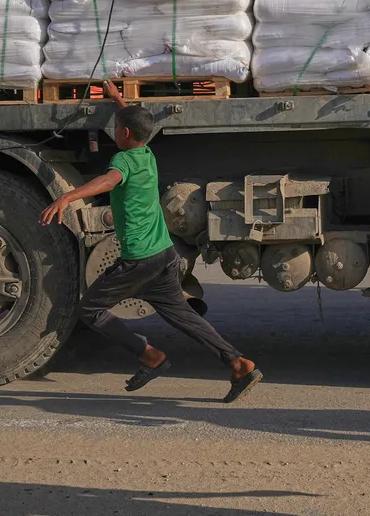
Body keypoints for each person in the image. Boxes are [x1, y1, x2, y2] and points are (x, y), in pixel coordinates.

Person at [41, 80, 262, 400]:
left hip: (139, 260)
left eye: (117, 128)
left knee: (90, 309)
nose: (115, 132)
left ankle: (150, 356)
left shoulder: (123, 161)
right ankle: (239, 363)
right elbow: (135, 123)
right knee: (183, 316)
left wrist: (67, 197)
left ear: (124, 133)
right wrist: (118, 99)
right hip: (164, 255)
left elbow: (108, 181)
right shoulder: (146, 153)